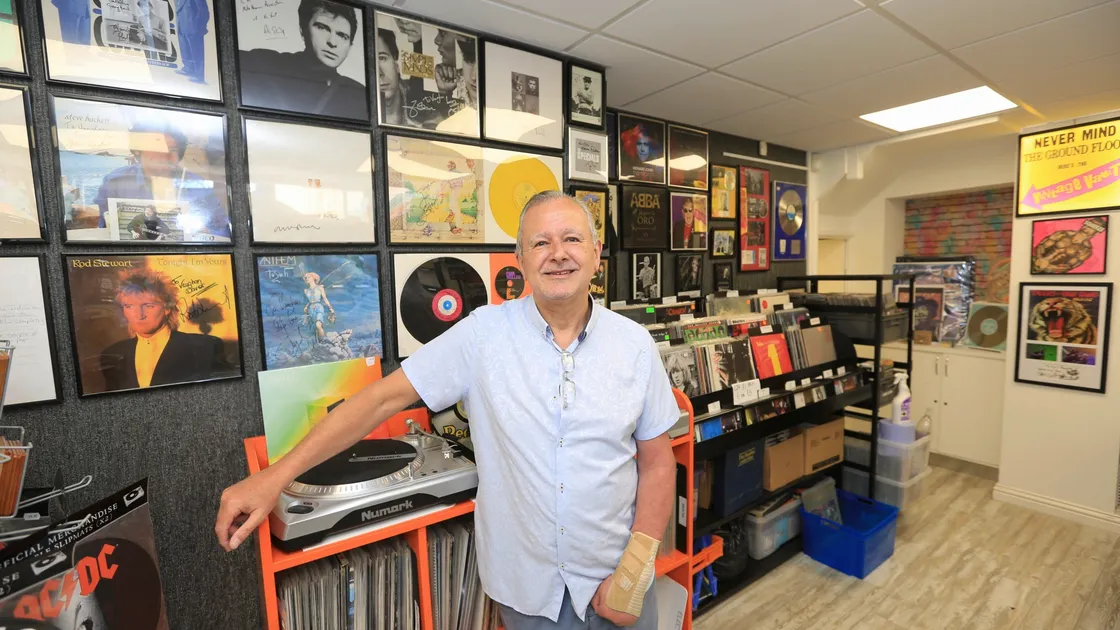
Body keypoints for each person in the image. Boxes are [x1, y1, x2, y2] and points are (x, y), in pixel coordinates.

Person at [215, 191, 679, 629]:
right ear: (520, 260)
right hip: (528, 595)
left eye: (572, 238)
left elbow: (658, 464)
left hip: (617, 583)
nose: (557, 253)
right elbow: (380, 399)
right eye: (541, 242)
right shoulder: (481, 336)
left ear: (596, 252)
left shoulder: (635, 346)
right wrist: (273, 478)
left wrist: (635, 572)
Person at [87, 118, 230, 239]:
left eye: (172, 149)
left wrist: (205, 234)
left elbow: (222, 232)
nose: (165, 155)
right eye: (157, 147)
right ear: (138, 150)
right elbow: (104, 229)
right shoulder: (115, 182)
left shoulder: (198, 186)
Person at [98, 268, 232, 392]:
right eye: (129, 306)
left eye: (149, 306)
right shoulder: (112, 354)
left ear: (167, 308)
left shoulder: (206, 347)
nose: (139, 315)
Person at [238, 0, 367, 120]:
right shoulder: (265, 65)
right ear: (302, 30)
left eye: (342, 36)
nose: (332, 42)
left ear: (350, 46)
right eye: (322, 28)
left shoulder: (358, 95)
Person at [174, 0, 210, 83]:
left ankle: (199, 75)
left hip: (193, 27)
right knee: (184, 47)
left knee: (196, 50)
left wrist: (199, 25)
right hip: (181, 24)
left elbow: (203, 10)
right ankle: (188, 68)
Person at [302, 271, 335, 343]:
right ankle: (319, 343)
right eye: (306, 278)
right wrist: (306, 307)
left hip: (319, 307)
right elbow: (308, 301)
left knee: (318, 325)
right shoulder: (305, 291)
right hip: (310, 309)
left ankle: (323, 342)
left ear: (313, 278)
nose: (307, 278)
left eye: (309, 277)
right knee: (315, 328)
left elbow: (325, 299)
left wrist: (330, 308)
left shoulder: (320, 288)